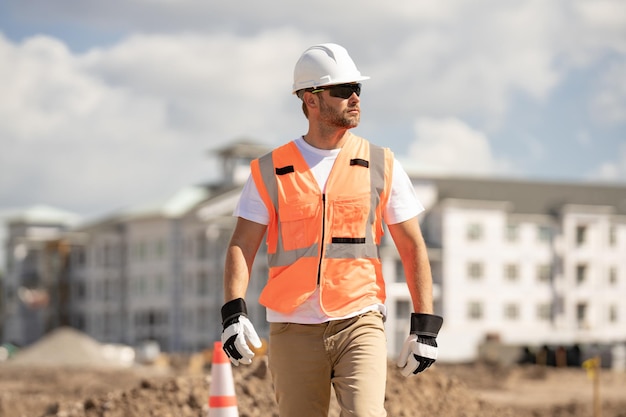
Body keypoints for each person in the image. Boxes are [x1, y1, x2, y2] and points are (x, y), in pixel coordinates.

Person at [220, 43, 443, 417]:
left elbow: (412, 246)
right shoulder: (269, 169)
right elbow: (242, 245)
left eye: (358, 88)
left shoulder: (381, 163)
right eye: (342, 90)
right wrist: (232, 314)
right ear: (311, 98)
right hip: (293, 328)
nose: (354, 97)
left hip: (360, 319)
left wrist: (425, 326)